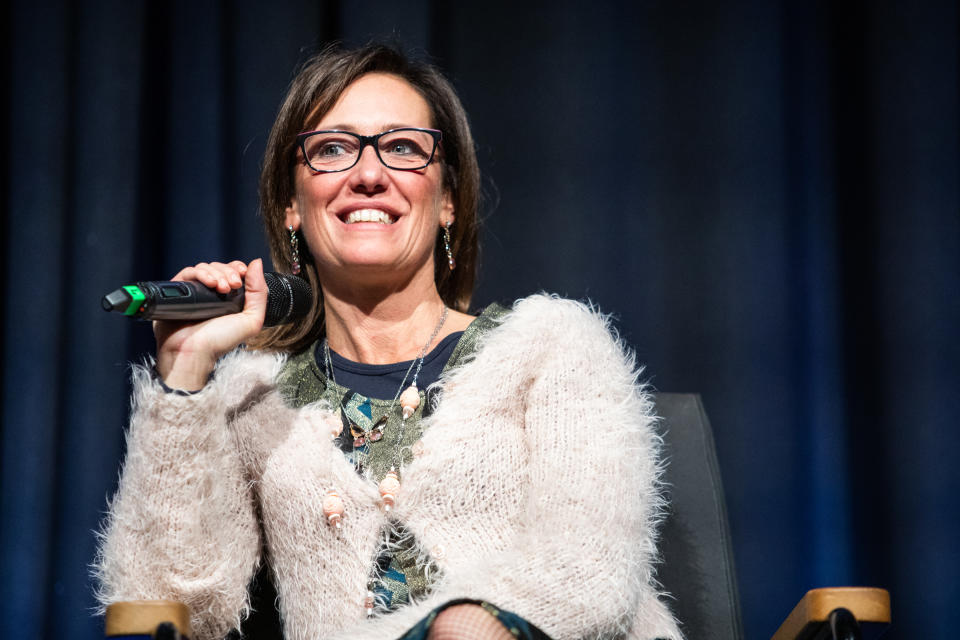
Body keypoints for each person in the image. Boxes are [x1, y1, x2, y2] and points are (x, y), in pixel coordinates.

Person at [95, 44, 683, 640]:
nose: (369, 174)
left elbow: (588, 573)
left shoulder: (554, 346)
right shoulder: (254, 403)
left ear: (448, 200)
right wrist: (184, 374)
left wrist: (462, 626)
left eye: (402, 148)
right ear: (291, 206)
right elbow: (167, 611)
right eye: (332, 149)